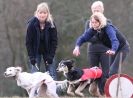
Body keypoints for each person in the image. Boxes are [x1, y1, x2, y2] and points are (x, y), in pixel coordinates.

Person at [73, 12, 130, 95]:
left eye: (95, 22)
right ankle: (106, 93)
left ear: (101, 22)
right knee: (106, 73)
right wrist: (77, 46)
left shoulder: (108, 28)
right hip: (113, 50)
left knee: (112, 70)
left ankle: (116, 92)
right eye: (92, 22)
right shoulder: (93, 29)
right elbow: (83, 37)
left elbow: (114, 40)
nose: (93, 24)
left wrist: (113, 50)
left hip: (122, 48)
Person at [26, 2, 58, 80]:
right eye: (40, 13)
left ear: (47, 13)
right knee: (34, 76)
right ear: (37, 13)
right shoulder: (31, 25)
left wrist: (51, 56)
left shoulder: (51, 24)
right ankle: (35, 92)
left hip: (48, 52)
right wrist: (31, 58)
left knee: (52, 75)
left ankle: (52, 92)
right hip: (35, 52)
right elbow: (28, 42)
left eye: (44, 13)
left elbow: (54, 41)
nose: (42, 15)